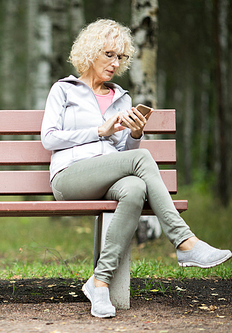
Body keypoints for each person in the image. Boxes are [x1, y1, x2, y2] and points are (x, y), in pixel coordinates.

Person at [40, 19, 231, 319]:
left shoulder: (122, 99)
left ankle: (100, 282)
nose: (115, 63)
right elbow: (49, 138)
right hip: (71, 177)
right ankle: (184, 241)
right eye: (108, 54)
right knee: (142, 162)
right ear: (90, 53)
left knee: (135, 187)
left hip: (107, 175)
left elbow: (123, 156)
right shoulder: (64, 90)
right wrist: (98, 131)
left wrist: (136, 135)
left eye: (120, 57)